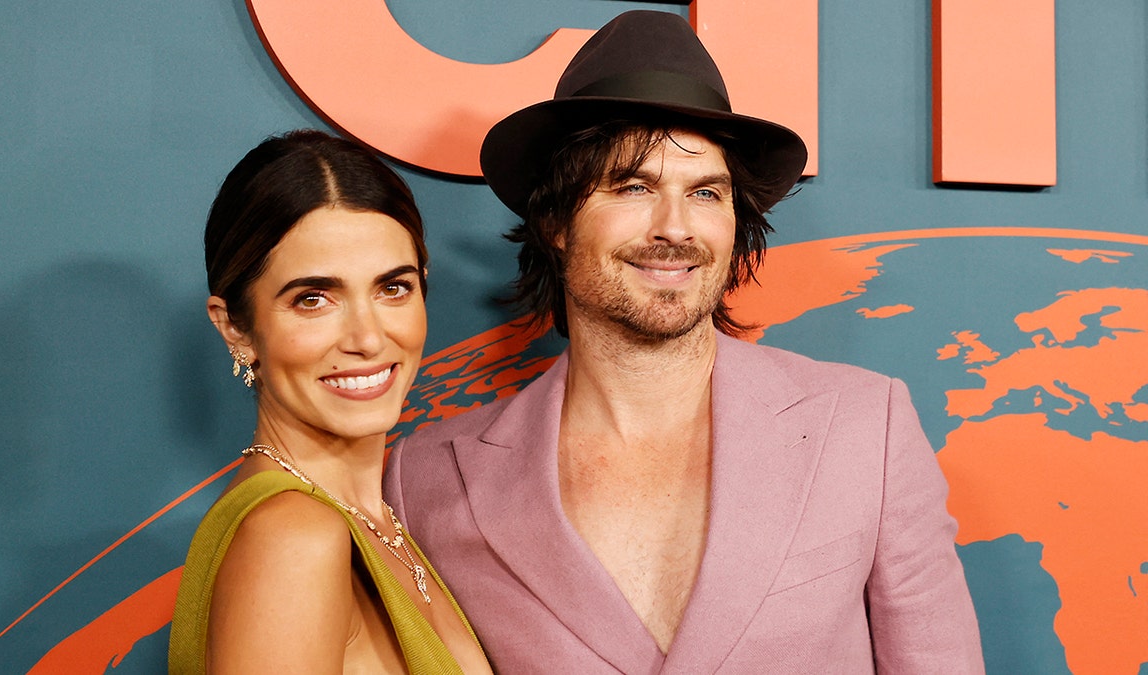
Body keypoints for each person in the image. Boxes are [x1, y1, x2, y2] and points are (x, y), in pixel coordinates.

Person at [384, 11, 985, 673]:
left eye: (704, 191)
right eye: (634, 186)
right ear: (555, 219)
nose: (675, 226)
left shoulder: (867, 430)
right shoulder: (423, 479)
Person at [169, 130, 491, 674]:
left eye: (393, 288)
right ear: (236, 329)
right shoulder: (292, 539)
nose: (366, 338)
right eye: (313, 299)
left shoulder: (371, 522)